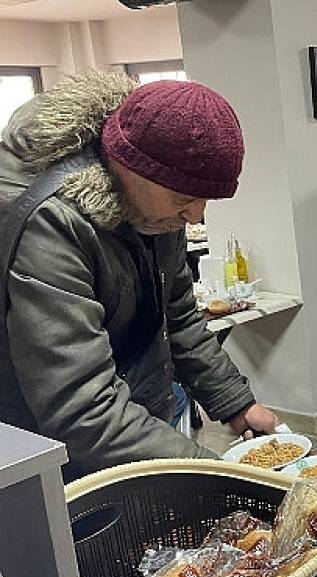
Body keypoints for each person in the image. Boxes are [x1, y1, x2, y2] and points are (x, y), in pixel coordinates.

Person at [0, 73, 280, 479]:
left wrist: (236, 403)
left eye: (205, 199)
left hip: (135, 410)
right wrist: (219, 474)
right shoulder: (52, 224)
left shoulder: (156, 207)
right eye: (184, 197)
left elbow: (179, 315)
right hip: (52, 453)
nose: (196, 215)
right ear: (128, 165)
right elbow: (84, 410)